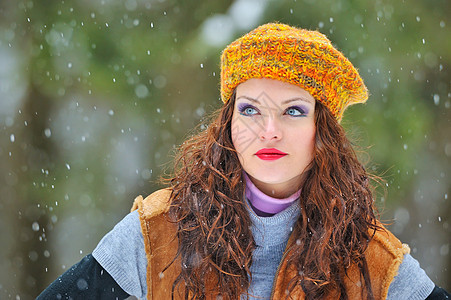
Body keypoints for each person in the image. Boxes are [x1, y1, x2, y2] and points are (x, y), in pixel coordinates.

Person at [37, 23, 449, 300]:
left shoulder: (372, 260)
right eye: (251, 109)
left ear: (323, 132)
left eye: (293, 111)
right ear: (229, 123)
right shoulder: (157, 232)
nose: (268, 130)